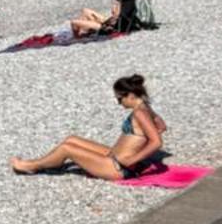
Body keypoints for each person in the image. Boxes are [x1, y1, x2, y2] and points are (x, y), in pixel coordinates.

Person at [11, 76, 167, 180]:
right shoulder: (146, 107)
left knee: (67, 148)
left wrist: (132, 158)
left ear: (131, 95)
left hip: (117, 168)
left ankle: (32, 166)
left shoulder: (140, 113)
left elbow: (156, 142)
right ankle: (52, 162)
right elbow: (161, 126)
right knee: (71, 139)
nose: (119, 103)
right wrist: (137, 143)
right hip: (113, 156)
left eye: (120, 99)